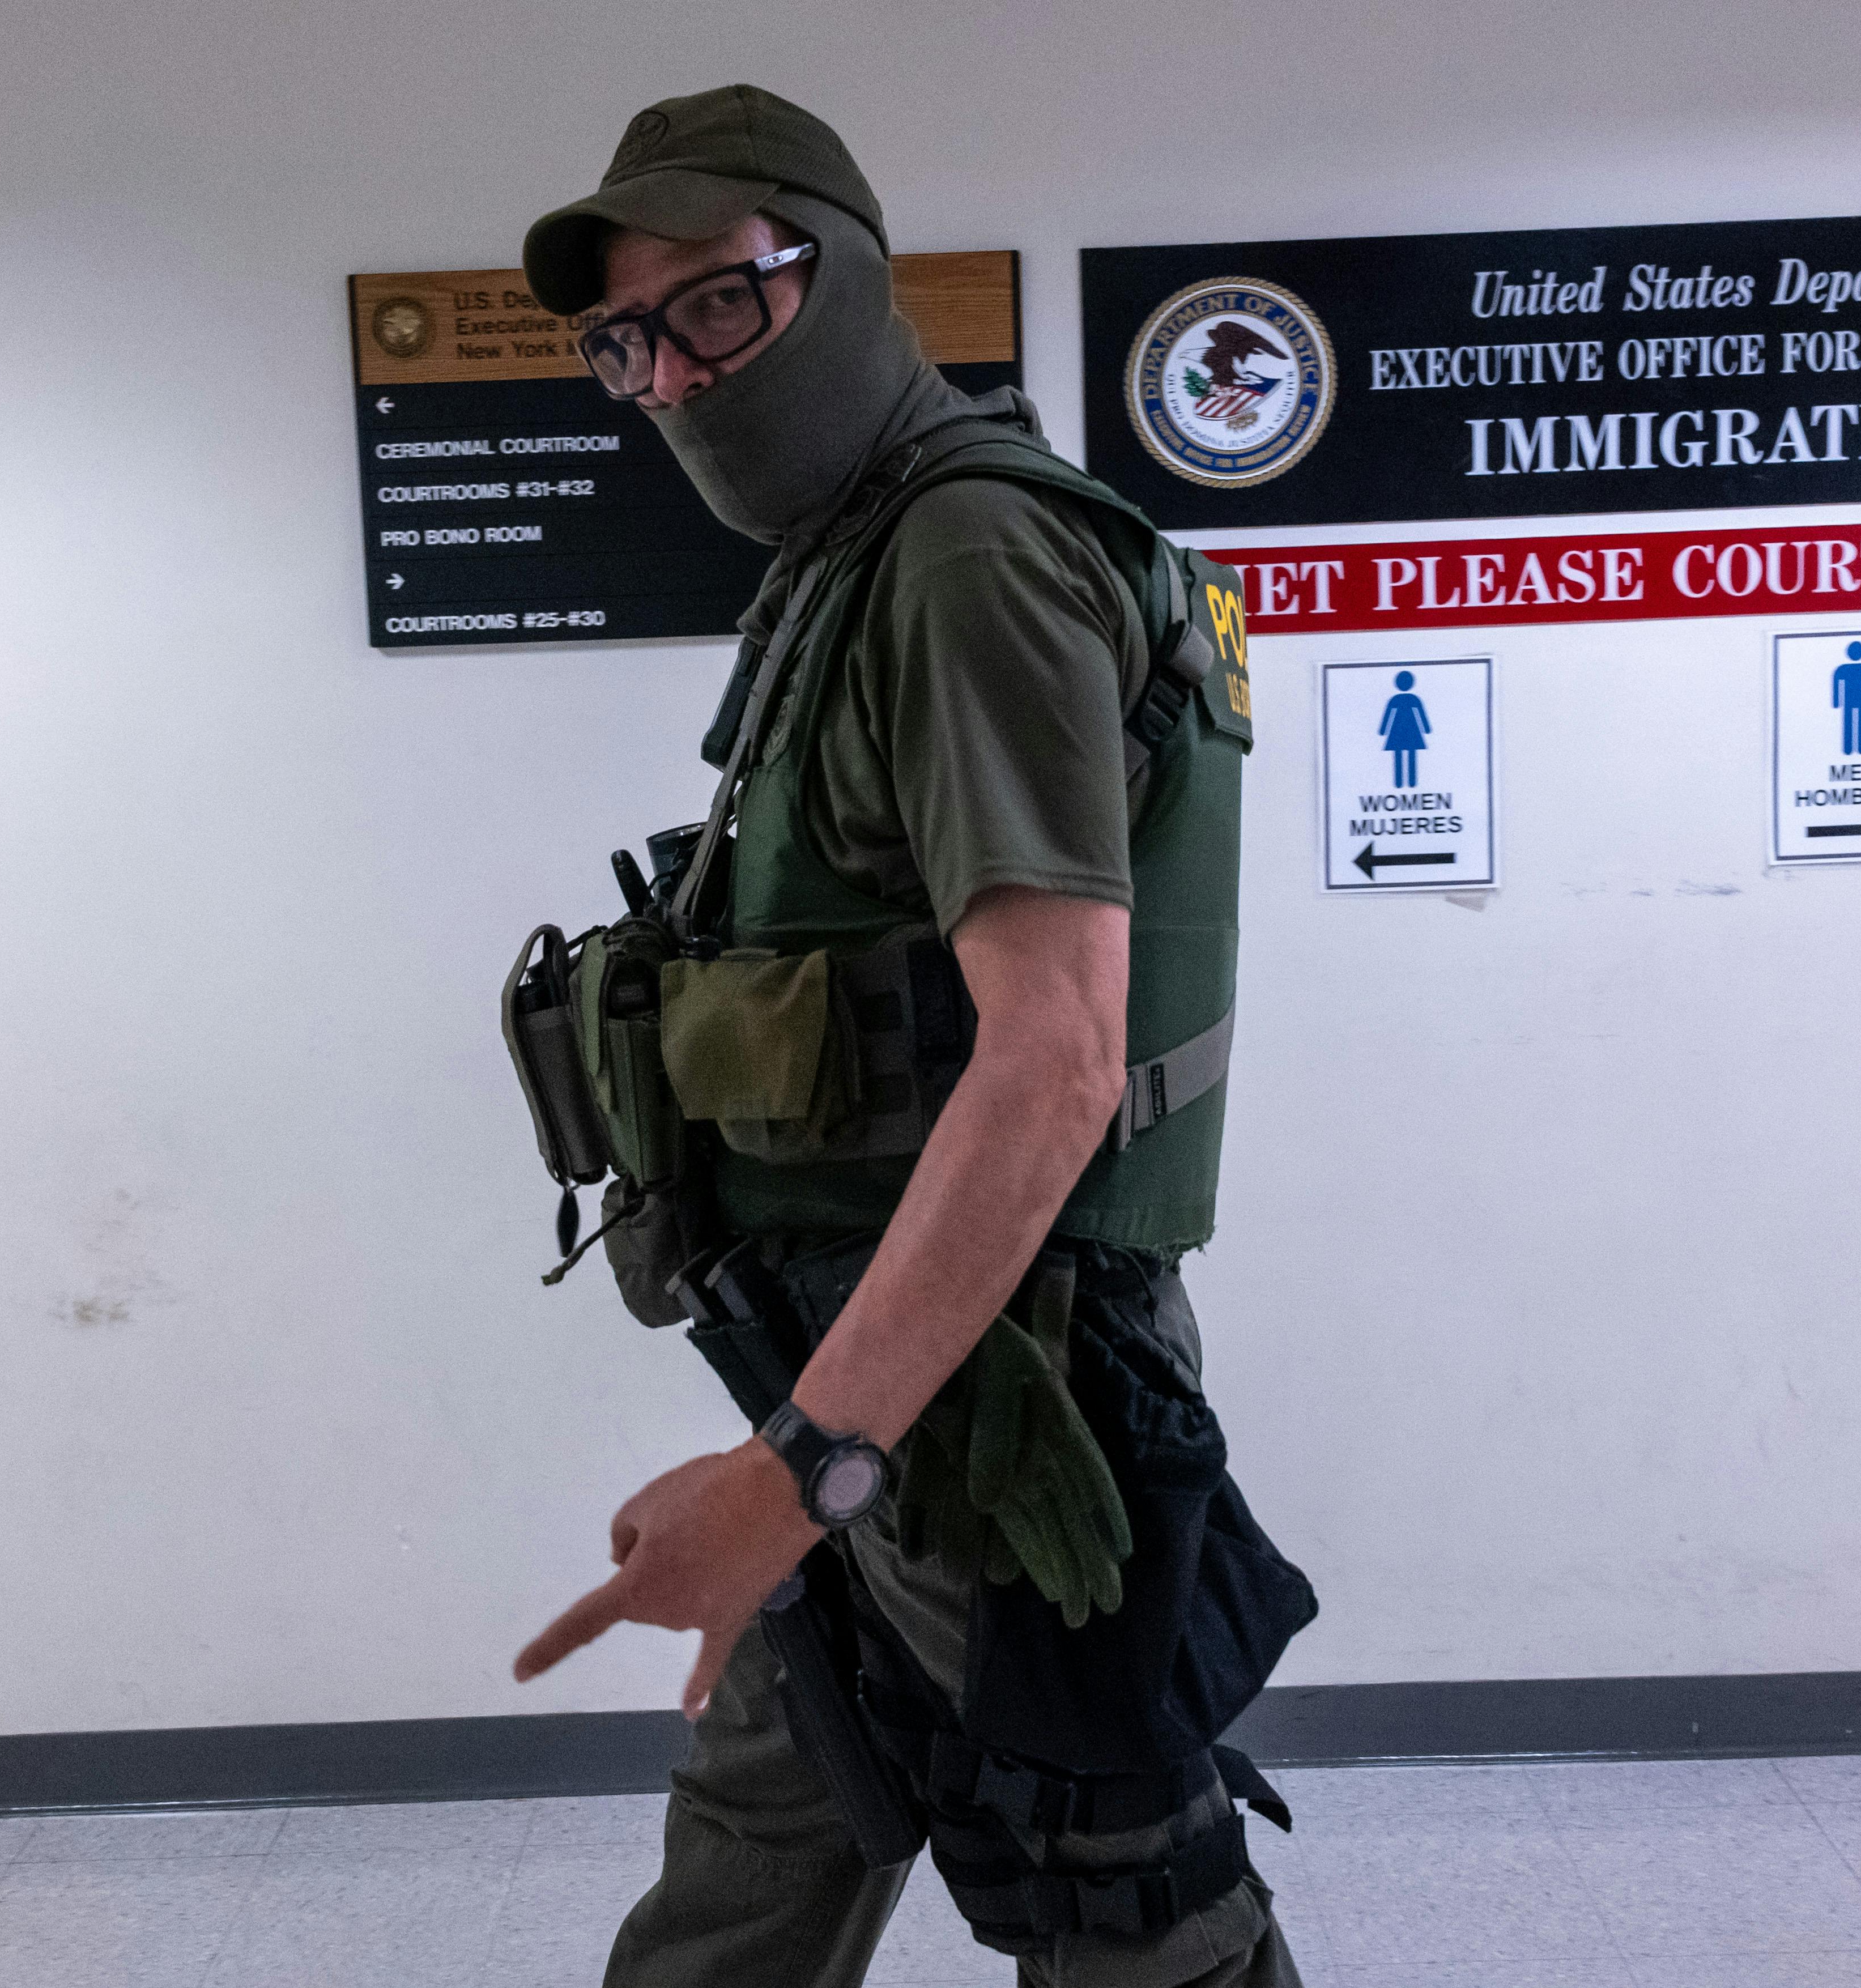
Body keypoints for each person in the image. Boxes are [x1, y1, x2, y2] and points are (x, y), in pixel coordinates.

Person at [508, 86, 1309, 1988]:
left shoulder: (966, 557)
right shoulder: (852, 560)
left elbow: (1051, 1059)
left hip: (983, 1405)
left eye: (719, 305)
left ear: (849, 281)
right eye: (628, 342)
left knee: (1118, 1891)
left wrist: (799, 1477)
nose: (676, 378)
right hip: (864, 1367)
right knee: (766, 1853)